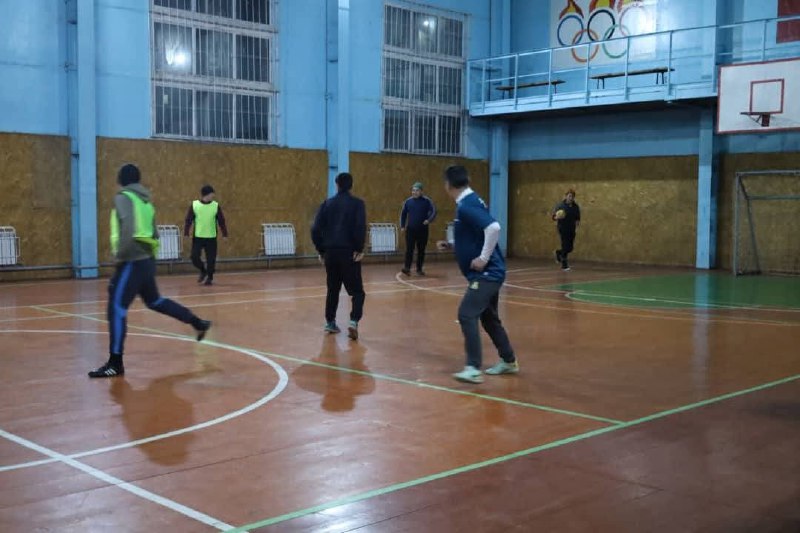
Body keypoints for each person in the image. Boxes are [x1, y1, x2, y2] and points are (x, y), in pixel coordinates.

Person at [89, 164, 211, 378]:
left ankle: (115, 363)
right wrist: (148, 259)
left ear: (121, 180)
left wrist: (121, 257)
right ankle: (197, 322)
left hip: (131, 261)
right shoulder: (146, 202)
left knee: (116, 308)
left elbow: (128, 229)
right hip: (145, 261)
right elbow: (155, 234)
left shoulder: (124, 198)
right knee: (155, 301)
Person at [436, 165, 518, 384]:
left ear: (448, 185)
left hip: (487, 274)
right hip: (488, 274)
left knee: (466, 314)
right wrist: (453, 245)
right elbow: (475, 236)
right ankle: (509, 360)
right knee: (489, 318)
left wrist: (482, 258)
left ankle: (473, 368)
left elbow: (493, 228)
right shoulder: (471, 202)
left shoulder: (466, 206)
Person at [311, 172, 367, 341]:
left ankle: (330, 322)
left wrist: (321, 250)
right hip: (349, 253)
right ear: (351, 185)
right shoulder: (358, 204)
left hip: (331, 253)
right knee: (357, 292)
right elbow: (360, 227)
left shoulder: (327, 204)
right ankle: (353, 321)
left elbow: (315, 229)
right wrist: (359, 248)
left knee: (333, 289)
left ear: (336, 185)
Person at [184, 184, 228, 286]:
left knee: (211, 260)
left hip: (211, 237)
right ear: (207, 194)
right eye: (212, 193)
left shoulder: (215, 206)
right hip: (198, 237)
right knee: (194, 257)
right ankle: (203, 270)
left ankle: (210, 277)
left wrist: (224, 234)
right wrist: (186, 232)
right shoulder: (195, 205)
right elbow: (188, 220)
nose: (213, 195)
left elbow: (221, 221)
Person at [400, 182, 436, 276]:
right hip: (411, 230)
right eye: (413, 190)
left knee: (421, 250)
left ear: (421, 191)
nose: (414, 192)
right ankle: (407, 268)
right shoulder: (408, 202)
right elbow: (403, 214)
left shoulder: (427, 201)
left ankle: (419, 269)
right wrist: (402, 226)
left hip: (423, 230)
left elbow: (434, 211)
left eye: (417, 190)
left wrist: (429, 220)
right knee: (409, 249)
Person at [551, 188, 581, 271]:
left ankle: (558, 253)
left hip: (571, 228)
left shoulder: (575, 207)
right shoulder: (560, 206)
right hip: (563, 228)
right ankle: (564, 265)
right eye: (569, 196)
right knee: (565, 245)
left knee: (570, 248)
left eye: (572, 196)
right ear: (566, 196)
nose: (571, 198)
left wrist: (576, 227)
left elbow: (577, 218)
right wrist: (557, 217)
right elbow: (553, 217)